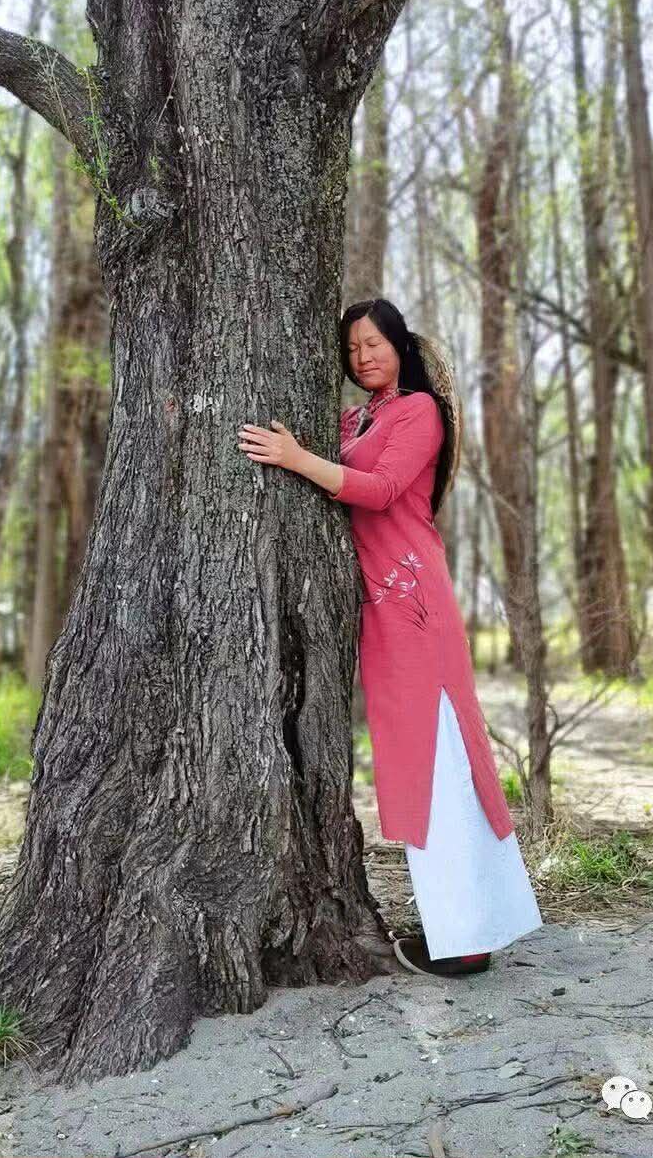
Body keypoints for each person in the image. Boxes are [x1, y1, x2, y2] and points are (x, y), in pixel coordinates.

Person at [237, 297, 543, 978]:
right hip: (380, 608)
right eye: (352, 349)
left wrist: (293, 458)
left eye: (374, 343)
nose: (362, 357)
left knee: (438, 760)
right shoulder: (354, 418)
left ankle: (465, 941)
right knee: (415, 762)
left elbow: (378, 490)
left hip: (416, 608)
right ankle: (469, 919)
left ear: (400, 345)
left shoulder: (419, 413)